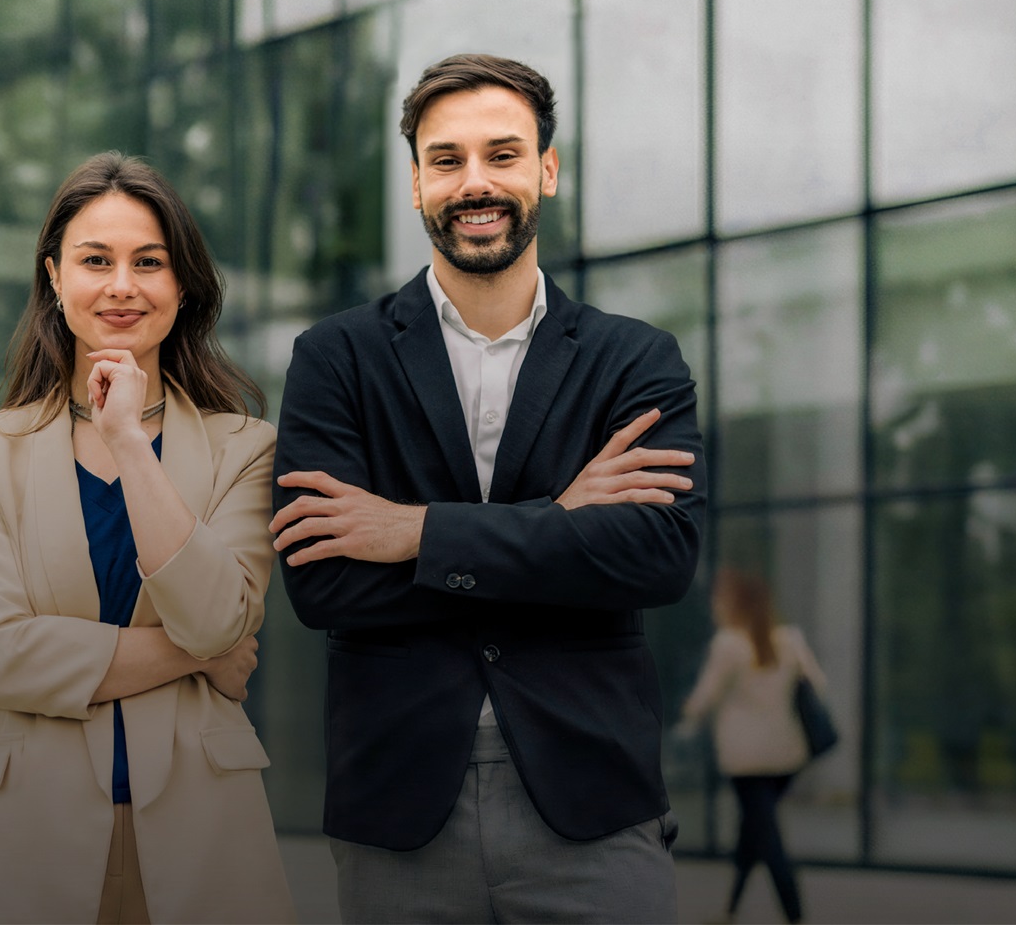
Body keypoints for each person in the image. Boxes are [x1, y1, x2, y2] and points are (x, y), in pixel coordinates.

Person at [270, 53, 707, 923]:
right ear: (416, 182)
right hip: (400, 803)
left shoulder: (635, 359)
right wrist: (560, 525)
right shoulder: (336, 358)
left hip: (592, 797)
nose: (476, 182)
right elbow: (323, 581)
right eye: (448, 159)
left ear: (547, 168)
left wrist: (415, 533)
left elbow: (655, 558)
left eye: (502, 155)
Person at [0, 151, 295, 924]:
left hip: (208, 828)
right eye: (95, 260)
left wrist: (129, 440)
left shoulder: (245, 448)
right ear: (55, 278)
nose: (123, 285)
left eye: (149, 262)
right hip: (29, 836)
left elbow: (214, 615)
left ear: (183, 286)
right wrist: (202, 656)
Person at [679, 569, 828, 925]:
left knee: (767, 838)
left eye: (721, 598)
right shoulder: (789, 640)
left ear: (736, 604)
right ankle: (730, 909)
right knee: (754, 833)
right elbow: (817, 686)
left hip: (745, 760)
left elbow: (704, 699)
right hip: (786, 757)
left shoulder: (729, 644)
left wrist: (686, 715)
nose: (716, 604)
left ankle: (795, 916)